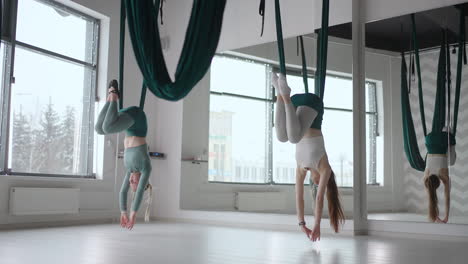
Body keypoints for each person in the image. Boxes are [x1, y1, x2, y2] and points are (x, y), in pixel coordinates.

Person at [273, 73, 344, 241]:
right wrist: (318, 225)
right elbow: (319, 198)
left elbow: (299, 196)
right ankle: (284, 94)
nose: (317, 183)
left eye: (317, 184)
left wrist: (301, 223)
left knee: (283, 138)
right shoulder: (324, 168)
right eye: (321, 184)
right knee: (294, 138)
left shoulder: (301, 169)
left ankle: (279, 92)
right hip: (313, 107)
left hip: (295, 109)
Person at [95, 80, 152, 230]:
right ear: (142, 182)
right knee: (107, 127)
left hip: (128, 123)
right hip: (138, 120)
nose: (132, 182)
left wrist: (123, 212)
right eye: (135, 183)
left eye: (131, 183)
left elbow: (122, 191)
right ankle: (114, 95)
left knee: (99, 129)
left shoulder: (130, 170)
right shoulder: (145, 167)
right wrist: (133, 214)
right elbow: (139, 192)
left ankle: (110, 99)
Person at [423, 128, 455, 223]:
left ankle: (449, 132)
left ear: (439, 181)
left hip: (444, 139)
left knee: (452, 162)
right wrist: (436, 217)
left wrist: (446, 217)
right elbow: (431, 200)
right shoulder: (426, 177)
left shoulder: (443, 175)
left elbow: (447, 197)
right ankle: (446, 130)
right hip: (429, 140)